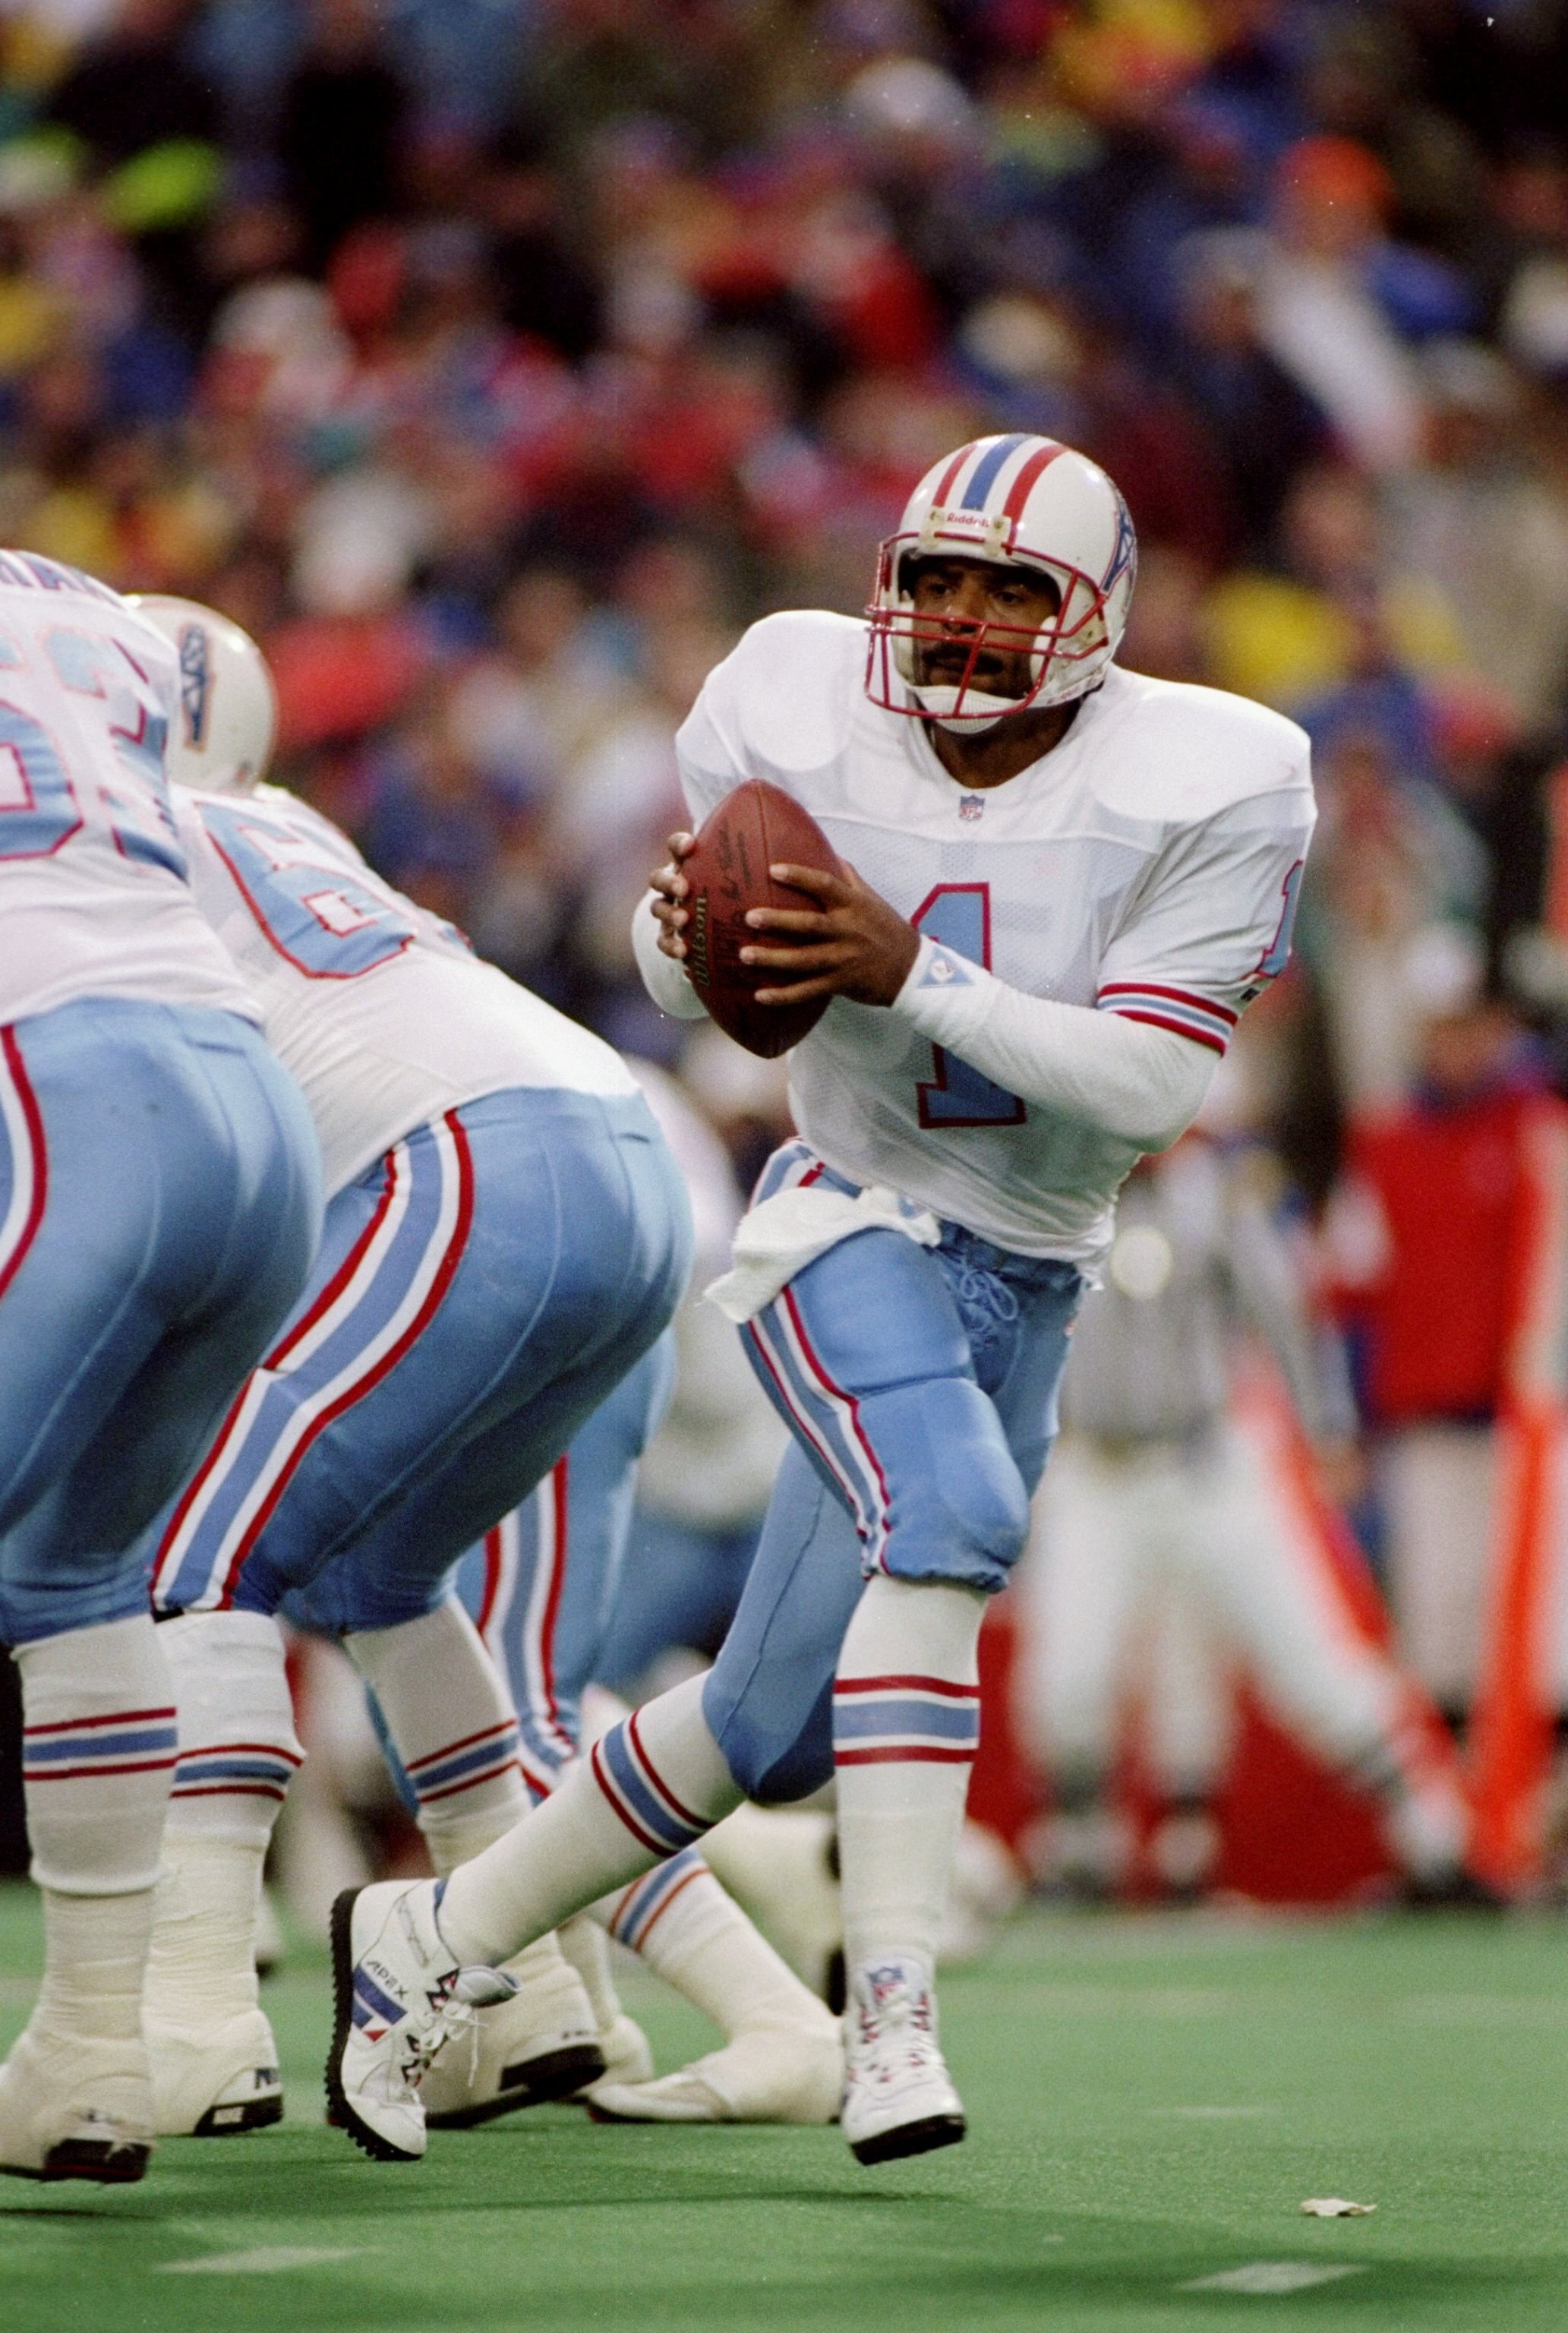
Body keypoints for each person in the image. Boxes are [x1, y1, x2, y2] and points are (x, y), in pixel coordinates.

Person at [329, 430, 1315, 2169]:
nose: (958, 614)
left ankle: (433, 1935)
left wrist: (906, 966)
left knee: (766, 1720)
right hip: (843, 1214)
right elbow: (687, 971)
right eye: (935, 574)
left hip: (1034, 1263)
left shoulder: (1217, 771)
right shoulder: (792, 695)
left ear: (1096, 613)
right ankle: (893, 2009)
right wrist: (677, 933)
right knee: (950, 1511)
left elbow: (1150, 1087)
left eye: (1010, 586)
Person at [121, 596, 692, 2143]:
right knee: (380, 1577)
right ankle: (532, 1999)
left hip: (471, 1173)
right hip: (624, 1148)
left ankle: (191, 2015)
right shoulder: (283, 824)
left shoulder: (109, 842)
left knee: (197, 1557)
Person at [0, 558, 322, 2184]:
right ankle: (89, 2060)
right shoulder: (99, 606)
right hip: (249, 1097)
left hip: (67, 1087)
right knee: (75, 1581)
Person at [1017, 1132, 1472, 1905]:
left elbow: (1284, 1311)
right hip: (1094, 1468)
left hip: (1207, 1465)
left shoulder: (1219, 1195)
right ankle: (1080, 1850)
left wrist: (1325, 1428)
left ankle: (1435, 1836)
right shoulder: (1050, 1187)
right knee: (1066, 1672)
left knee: (1313, 1664)